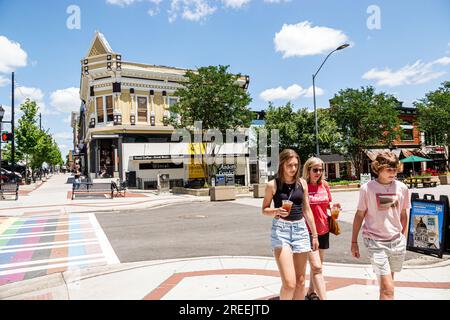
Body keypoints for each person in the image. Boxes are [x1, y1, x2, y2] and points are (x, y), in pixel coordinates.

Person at [351, 151, 410, 300]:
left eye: (395, 169)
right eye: (388, 169)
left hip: (396, 241)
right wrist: (354, 242)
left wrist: (403, 238)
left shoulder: (402, 188)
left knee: (387, 286)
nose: (393, 172)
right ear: (378, 168)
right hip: (375, 242)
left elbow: (403, 215)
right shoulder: (367, 188)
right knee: (388, 289)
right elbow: (359, 215)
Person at [262, 149, 319, 300]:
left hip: (301, 230)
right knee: (289, 283)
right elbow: (264, 210)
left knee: (300, 281)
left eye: (295, 165)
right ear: (282, 164)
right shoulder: (272, 185)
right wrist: (276, 210)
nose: (293, 169)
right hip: (281, 232)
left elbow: (307, 210)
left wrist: (314, 235)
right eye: (289, 165)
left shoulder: (302, 183)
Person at [302, 157, 341, 300]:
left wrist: (334, 208)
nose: (318, 172)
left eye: (321, 169)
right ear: (308, 170)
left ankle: (310, 292)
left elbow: (328, 204)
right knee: (316, 266)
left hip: (324, 230)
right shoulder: (303, 186)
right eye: (315, 170)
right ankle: (319, 296)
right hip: (308, 231)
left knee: (318, 265)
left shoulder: (324, 185)